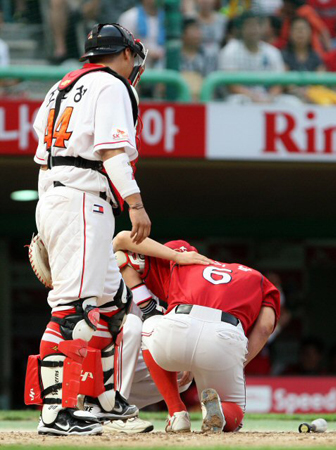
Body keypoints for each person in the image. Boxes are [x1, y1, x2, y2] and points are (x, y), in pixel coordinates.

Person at [27, 23, 151, 436]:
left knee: (114, 304)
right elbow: (113, 152)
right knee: (71, 311)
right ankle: (54, 412)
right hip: (81, 198)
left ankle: (104, 400)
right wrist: (135, 203)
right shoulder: (113, 85)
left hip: (59, 195)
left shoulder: (61, 85)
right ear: (128, 54)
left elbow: (40, 141)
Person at [113, 231, 280, 433]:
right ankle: (220, 412)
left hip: (178, 323)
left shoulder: (184, 254)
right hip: (225, 334)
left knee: (149, 325)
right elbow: (265, 327)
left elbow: (121, 248)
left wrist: (147, 302)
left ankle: (176, 412)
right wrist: (237, 363)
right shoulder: (259, 278)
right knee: (234, 411)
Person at [218, 12, 287, 104]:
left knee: (291, 102)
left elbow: (279, 83)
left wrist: (270, 98)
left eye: (257, 25)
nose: (253, 29)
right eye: (249, 25)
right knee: (236, 101)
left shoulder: (272, 52)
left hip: (268, 97)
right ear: (241, 29)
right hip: (242, 97)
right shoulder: (230, 50)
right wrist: (254, 98)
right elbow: (232, 85)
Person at [119, 0, 165, 68]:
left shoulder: (167, 17)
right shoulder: (130, 17)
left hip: (162, 68)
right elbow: (123, 45)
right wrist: (145, 51)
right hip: (135, 67)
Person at [180, 17, 218, 99]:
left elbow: (212, 86)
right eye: (193, 29)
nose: (198, 33)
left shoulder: (209, 56)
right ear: (183, 33)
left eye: (199, 29)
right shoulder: (173, 56)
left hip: (202, 101)